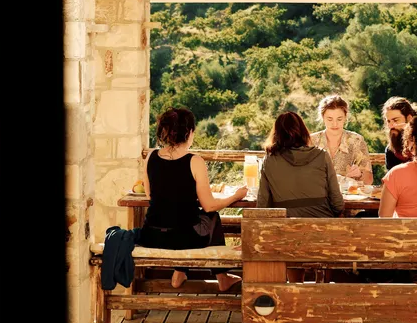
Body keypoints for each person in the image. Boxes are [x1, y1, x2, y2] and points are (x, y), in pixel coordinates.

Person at [140, 107, 247, 291]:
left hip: (151, 235)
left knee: (185, 221)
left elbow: (150, 195)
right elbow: (209, 206)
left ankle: (179, 273)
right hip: (183, 239)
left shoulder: (151, 157)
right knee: (212, 217)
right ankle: (222, 278)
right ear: (189, 132)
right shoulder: (194, 161)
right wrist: (235, 196)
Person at [257, 111, 344, 218]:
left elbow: (263, 205)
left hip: (286, 225)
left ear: (276, 134)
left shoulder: (269, 160)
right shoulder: (322, 156)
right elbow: (337, 203)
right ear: (303, 131)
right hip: (322, 223)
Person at [310, 94, 373, 185]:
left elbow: (369, 180)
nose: (335, 124)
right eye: (330, 119)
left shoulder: (356, 140)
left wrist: (359, 175)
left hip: (347, 193)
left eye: (339, 119)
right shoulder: (311, 141)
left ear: (345, 117)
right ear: (323, 117)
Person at [381, 96, 417, 172]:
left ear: (409, 118)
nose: (391, 126)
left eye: (395, 120)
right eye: (388, 121)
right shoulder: (390, 151)